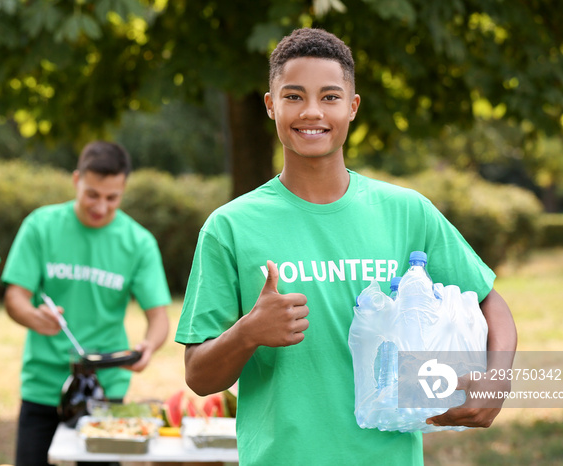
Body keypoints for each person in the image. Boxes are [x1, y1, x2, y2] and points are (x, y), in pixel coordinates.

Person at [176, 28, 517, 465]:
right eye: (294, 96)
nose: (312, 111)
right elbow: (199, 377)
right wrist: (248, 333)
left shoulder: (407, 212)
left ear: (352, 107)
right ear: (270, 105)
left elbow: (492, 303)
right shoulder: (230, 227)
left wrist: (498, 380)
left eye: (330, 97)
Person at [2, 140, 171, 466]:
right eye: (92, 194)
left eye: (112, 198)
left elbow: (159, 317)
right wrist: (34, 316)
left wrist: (149, 345)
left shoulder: (139, 242)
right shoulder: (40, 225)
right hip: (43, 385)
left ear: (123, 189)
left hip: (106, 387)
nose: (102, 206)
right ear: (76, 180)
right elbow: (14, 298)